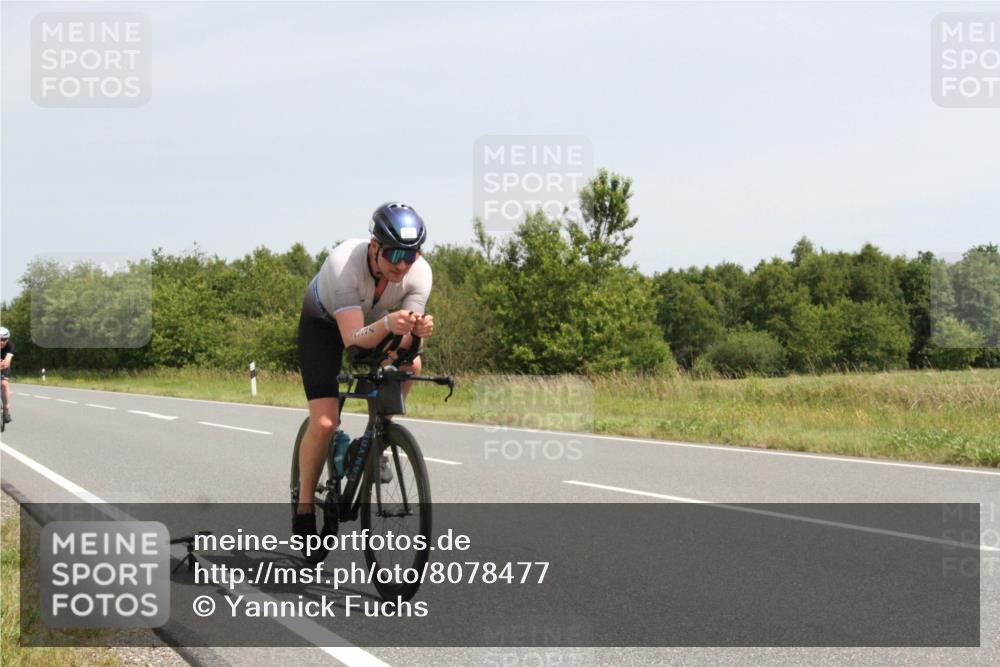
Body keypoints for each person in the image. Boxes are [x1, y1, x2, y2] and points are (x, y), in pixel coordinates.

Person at [294, 202, 434, 536]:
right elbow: (355, 344)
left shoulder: (421, 273)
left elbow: (406, 344)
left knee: (412, 363)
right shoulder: (344, 264)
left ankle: (378, 436)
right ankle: (304, 506)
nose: (402, 265)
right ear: (375, 247)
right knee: (326, 421)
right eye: (393, 255)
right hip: (326, 324)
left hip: (374, 322)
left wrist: (417, 335)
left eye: (410, 256)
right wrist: (388, 322)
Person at [0, 327, 14, 423]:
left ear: (7, 339)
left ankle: (6, 409)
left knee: (4, 384)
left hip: (4, 366)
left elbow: (7, 362)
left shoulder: (10, 346)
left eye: (3, 340)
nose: (1, 342)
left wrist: (3, 363)